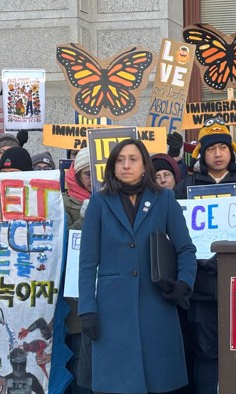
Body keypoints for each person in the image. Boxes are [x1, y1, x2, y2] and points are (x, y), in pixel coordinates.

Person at [79, 139, 196, 393]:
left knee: (159, 382)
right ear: (112, 167)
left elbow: (185, 248)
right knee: (118, 385)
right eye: (120, 160)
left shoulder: (164, 199)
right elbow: (87, 263)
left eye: (133, 159)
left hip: (157, 306)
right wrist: (87, 309)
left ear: (145, 166)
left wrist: (184, 283)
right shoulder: (99, 203)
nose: (126, 165)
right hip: (112, 313)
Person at [173, 117, 236, 394]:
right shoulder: (184, 187)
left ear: (231, 151)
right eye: (211, 148)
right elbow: (176, 234)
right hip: (201, 287)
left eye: (223, 147)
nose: (217, 153)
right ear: (202, 153)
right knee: (206, 353)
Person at [62, 149, 92, 393]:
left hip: (108, 291)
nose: (93, 179)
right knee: (80, 360)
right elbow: (63, 243)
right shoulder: (64, 201)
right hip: (77, 297)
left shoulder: (120, 198)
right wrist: (84, 218)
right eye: (87, 174)